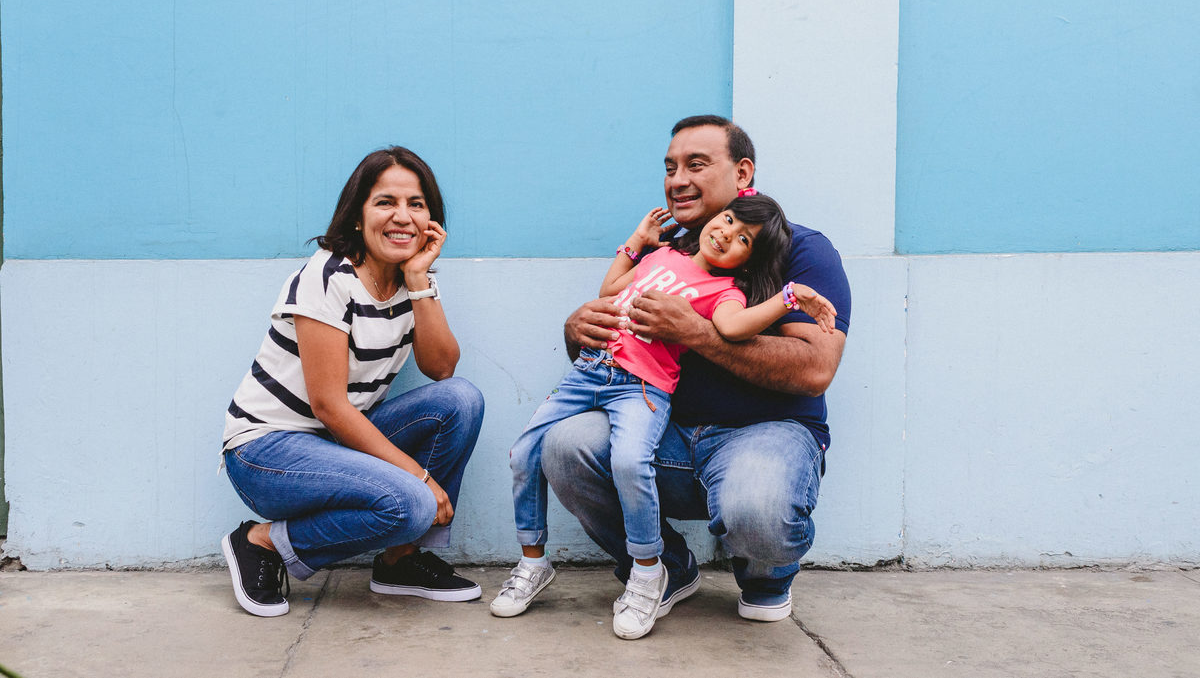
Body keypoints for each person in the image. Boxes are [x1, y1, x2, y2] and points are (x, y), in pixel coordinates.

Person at [542, 115, 851, 625]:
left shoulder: (802, 249)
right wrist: (579, 330)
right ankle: (664, 568)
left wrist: (696, 331)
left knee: (758, 506)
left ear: (742, 173)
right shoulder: (666, 249)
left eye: (696, 165)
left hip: (765, 433)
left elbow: (815, 368)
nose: (677, 180)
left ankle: (765, 575)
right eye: (670, 168)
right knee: (565, 445)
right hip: (661, 431)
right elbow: (616, 345)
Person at [491, 193, 838, 639]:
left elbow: (732, 327)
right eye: (728, 220)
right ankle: (535, 562)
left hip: (641, 388)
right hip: (593, 371)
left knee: (629, 462)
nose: (726, 233)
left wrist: (788, 298)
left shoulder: (726, 292)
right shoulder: (664, 256)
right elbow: (611, 290)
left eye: (743, 239)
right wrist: (636, 243)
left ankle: (662, 570)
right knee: (528, 450)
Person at [219, 147, 485, 617]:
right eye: (385, 202)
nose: (402, 216)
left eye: (416, 204)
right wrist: (420, 477)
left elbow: (442, 368)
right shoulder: (327, 277)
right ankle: (261, 541)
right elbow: (329, 405)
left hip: (336, 443)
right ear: (358, 217)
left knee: (460, 400)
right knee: (412, 502)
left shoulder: (410, 279)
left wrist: (419, 279)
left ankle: (400, 561)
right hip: (266, 452)